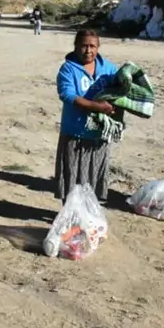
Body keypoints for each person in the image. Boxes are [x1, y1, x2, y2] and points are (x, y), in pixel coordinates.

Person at [54, 29, 118, 203]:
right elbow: (67, 95)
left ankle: (89, 215)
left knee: (94, 178)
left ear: (98, 48)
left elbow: (120, 92)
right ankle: (70, 215)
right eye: (84, 46)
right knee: (72, 178)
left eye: (92, 46)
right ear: (75, 46)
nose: (88, 50)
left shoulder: (110, 69)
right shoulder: (67, 69)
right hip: (74, 133)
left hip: (99, 136)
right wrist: (96, 106)